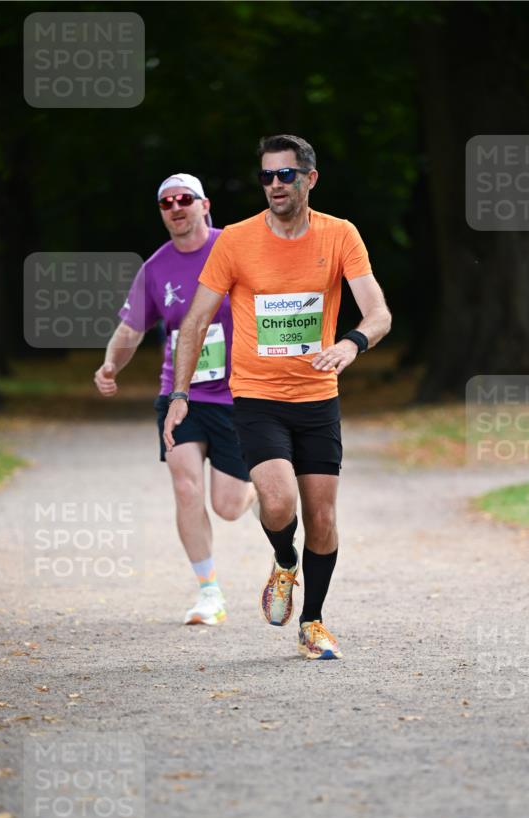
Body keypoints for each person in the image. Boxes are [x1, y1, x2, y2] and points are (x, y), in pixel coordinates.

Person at [163, 135, 392, 660]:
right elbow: (196, 321)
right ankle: (284, 560)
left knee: (325, 518)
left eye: (284, 175)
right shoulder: (237, 241)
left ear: (310, 179)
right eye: (265, 176)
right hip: (258, 396)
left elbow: (378, 313)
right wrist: (180, 393)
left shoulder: (340, 236)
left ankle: (312, 623)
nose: (273, 185)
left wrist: (351, 344)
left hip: (317, 398)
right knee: (278, 498)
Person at [94, 173, 255, 623]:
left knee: (226, 506)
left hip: (235, 395)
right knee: (186, 487)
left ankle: (255, 491)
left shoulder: (235, 249)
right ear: (162, 213)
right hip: (179, 395)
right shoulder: (156, 267)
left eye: (185, 199)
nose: (176, 207)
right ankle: (209, 593)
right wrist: (110, 366)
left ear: (205, 205)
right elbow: (130, 329)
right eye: (167, 202)